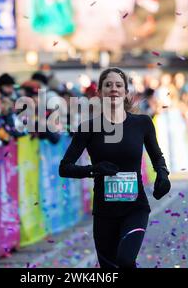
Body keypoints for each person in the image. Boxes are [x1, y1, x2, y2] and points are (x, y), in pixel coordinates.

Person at [59, 67, 171, 268]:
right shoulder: (88, 127)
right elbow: (65, 168)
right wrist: (94, 169)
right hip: (104, 212)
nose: (114, 89)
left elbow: (157, 157)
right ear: (100, 92)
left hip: (135, 208)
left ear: (126, 92)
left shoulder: (142, 123)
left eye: (119, 85)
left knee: (126, 261)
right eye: (108, 85)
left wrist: (163, 175)